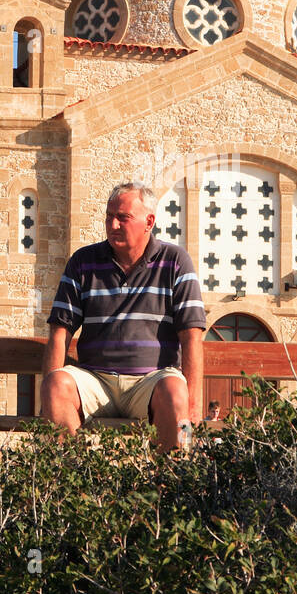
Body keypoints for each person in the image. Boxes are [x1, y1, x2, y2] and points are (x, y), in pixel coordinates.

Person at [41, 181, 206, 453]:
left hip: (151, 382)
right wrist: (46, 402)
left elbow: (192, 339)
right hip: (96, 380)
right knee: (55, 384)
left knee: (177, 395)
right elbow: (60, 333)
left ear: (149, 221)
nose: (113, 224)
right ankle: (71, 485)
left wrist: (194, 411)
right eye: (109, 216)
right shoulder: (83, 262)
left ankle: (174, 486)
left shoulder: (175, 261)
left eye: (123, 217)